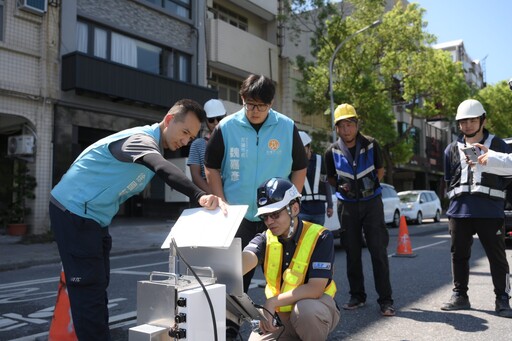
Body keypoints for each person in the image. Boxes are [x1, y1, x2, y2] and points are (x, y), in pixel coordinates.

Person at [49, 99, 228, 340]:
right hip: (73, 212)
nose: (185, 141)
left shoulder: (153, 145)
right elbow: (161, 167)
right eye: (184, 132)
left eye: (191, 137)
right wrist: (200, 195)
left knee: (98, 285)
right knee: (87, 290)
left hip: (95, 219)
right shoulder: (140, 140)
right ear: (168, 120)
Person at [205, 74, 308, 293]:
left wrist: (292, 202)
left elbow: (300, 166)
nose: (254, 111)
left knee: (285, 275)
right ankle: (230, 327)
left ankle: (284, 323)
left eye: (261, 106)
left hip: (278, 213)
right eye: (250, 104)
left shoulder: (287, 127)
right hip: (238, 215)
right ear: (242, 98)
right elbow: (210, 165)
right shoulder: (226, 127)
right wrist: (222, 201)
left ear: (271, 104)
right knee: (234, 278)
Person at [243, 177, 340, 340]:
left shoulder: (320, 236)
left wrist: (272, 302)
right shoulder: (265, 238)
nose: (269, 221)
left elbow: (315, 289)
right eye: (264, 217)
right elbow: (244, 261)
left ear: (294, 208)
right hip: (279, 317)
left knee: (306, 311)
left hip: (312, 310)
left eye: (274, 214)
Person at [442, 99, 512, 318]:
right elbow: (448, 180)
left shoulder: (499, 145)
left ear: (482, 120)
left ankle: (502, 299)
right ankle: (460, 295)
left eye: (472, 120)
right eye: (463, 122)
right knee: (458, 255)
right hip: (459, 211)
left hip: (490, 211)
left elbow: (508, 176)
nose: (468, 125)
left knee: (497, 256)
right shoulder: (450, 149)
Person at [324, 103, 395, 316]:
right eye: (341, 126)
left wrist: (367, 187)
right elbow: (330, 178)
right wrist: (344, 188)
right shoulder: (331, 151)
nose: (346, 130)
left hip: (372, 203)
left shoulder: (372, 145)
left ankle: (386, 300)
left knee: (378, 251)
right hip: (346, 205)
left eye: (350, 124)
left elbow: (380, 170)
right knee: (352, 251)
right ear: (336, 128)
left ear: (357, 124)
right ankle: (357, 296)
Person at [187, 99, 227, 195]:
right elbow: (196, 176)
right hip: (209, 197)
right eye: (211, 119)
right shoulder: (197, 144)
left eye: (219, 118)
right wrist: (214, 196)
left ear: (226, 116)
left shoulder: (233, 141)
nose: (216, 122)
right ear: (205, 120)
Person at [298, 131, 333, 225]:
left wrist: (330, 205)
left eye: (302, 148)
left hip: (319, 211)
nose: (300, 151)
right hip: (302, 211)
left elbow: (326, 184)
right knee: (303, 238)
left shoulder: (320, 160)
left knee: (318, 238)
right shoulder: (295, 162)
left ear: (309, 147)